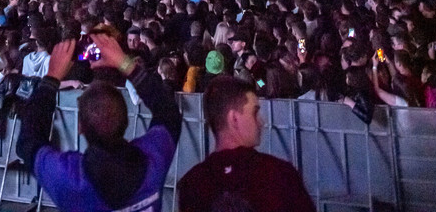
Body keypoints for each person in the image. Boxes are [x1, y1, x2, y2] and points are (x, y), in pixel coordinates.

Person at [17, 33, 182, 212]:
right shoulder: (153, 160)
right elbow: (168, 112)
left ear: (80, 126)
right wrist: (125, 64)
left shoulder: (68, 178)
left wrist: (52, 77)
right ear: (125, 121)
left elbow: (29, 140)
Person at [177, 76, 315, 212]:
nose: (261, 122)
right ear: (234, 119)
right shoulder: (278, 174)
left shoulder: (192, 184)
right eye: (255, 113)